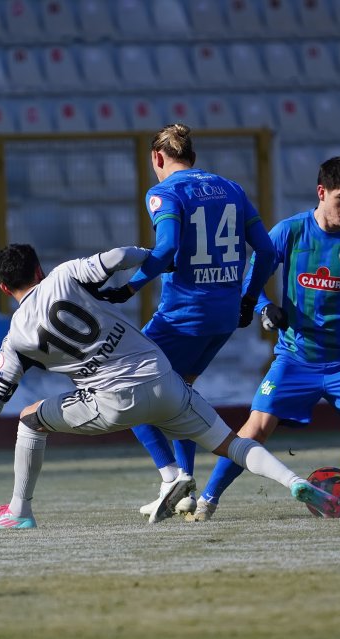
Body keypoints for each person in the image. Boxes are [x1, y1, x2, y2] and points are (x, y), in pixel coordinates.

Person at [0, 243, 340, 528]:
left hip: (111, 404)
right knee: (231, 443)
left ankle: (19, 511)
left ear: (3, 287)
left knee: (30, 419)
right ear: (39, 269)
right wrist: (156, 259)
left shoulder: (15, 338)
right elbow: (120, 255)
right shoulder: (65, 275)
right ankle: (294, 481)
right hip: (162, 380)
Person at [191, 156, 340, 521]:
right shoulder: (289, 232)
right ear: (321, 192)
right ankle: (207, 501)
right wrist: (265, 308)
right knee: (254, 430)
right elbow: (251, 281)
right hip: (295, 357)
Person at [96, 123, 275, 518]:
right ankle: (186, 488)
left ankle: (172, 476)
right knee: (179, 393)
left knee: (123, 384)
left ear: (157, 157)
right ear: (192, 156)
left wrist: (129, 287)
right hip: (224, 317)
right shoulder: (232, 189)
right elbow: (266, 251)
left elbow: (167, 248)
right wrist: (249, 299)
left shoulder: (165, 193)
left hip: (184, 317)